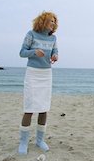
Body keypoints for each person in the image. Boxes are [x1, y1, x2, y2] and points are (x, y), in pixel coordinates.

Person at [17, 11, 59, 155]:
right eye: (50, 20)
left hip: (46, 74)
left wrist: (55, 56)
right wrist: (34, 52)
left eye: (54, 21)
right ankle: (23, 142)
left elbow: (55, 52)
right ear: (42, 21)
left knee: (44, 108)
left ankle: (40, 140)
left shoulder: (53, 38)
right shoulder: (31, 34)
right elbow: (22, 52)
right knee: (29, 108)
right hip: (33, 73)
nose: (52, 23)